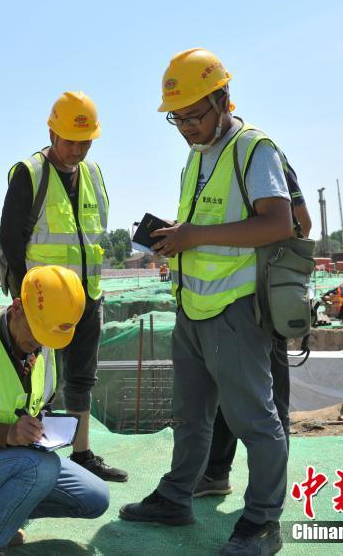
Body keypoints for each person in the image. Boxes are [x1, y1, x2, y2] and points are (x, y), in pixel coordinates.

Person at [120, 48, 292, 556]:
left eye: (195, 115)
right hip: (192, 308)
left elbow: (279, 223)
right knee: (190, 415)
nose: (187, 127)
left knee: (256, 421)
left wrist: (194, 236)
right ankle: (177, 497)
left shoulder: (253, 149)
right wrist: (175, 241)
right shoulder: (195, 157)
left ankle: (262, 522)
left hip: (236, 311)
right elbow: (203, 232)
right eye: (178, 119)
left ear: (223, 100)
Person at [0, 265, 110, 555]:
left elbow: (40, 402)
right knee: (41, 468)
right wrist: (9, 433)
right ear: (16, 307)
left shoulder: (45, 341)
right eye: (35, 332)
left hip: (15, 459)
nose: (39, 344)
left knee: (94, 498)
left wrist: (41, 427)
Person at [0, 91, 127, 483]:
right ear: (52, 133)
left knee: (82, 378)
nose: (76, 149)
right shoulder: (30, 173)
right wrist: (25, 299)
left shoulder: (93, 175)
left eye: (84, 141)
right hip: (43, 304)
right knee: (37, 381)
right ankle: (35, 456)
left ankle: (82, 454)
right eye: (69, 140)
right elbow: (9, 240)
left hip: (87, 297)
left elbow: (92, 236)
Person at [195, 158, 312, 499]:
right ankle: (216, 472)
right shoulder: (210, 164)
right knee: (229, 389)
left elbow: (299, 222)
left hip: (261, 297)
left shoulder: (261, 158)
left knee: (269, 398)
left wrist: (248, 239)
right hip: (226, 299)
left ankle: (268, 493)